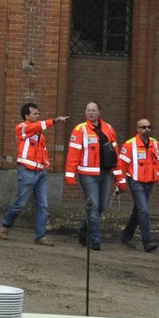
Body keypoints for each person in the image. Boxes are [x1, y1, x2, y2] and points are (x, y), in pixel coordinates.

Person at [0, 102, 68, 245]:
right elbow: (36, 127)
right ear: (26, 115)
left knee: (43, 206)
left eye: (38, 113)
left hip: (40, 172)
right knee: (20, 203)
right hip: (27, 171)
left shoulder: (38, 133)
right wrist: (54, 121)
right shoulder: (22, 127)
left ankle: (40, 236)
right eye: (35, 113)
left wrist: (45, 164)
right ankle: (5, 224)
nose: (38, 115)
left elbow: (41, 149)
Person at [65, 101, 121, 251]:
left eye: (93, 110)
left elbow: (115, 154)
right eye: (88, 110)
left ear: (99, 112)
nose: (90, 112)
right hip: (87, 174)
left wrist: (119, 177)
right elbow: (73, 154)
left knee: (100, 206)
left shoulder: (108, 128)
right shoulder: (80, 130)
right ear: (85, 113)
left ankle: (83, 229)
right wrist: (70, 174)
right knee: (94, 205)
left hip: (105, 173)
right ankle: (95, 240)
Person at [117, 117, 159, 252]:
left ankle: (126, 236)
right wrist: (121, 182)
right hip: (135, 181)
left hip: (149, 182)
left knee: (138, 210)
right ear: (137, 129)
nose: (147, 129)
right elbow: (122, 165)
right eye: (143, 127)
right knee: (143, 210)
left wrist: (157, 175)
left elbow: (158, 161)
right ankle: (147, 242)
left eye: (149, 127)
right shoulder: (129, 145)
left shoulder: (155, 143)